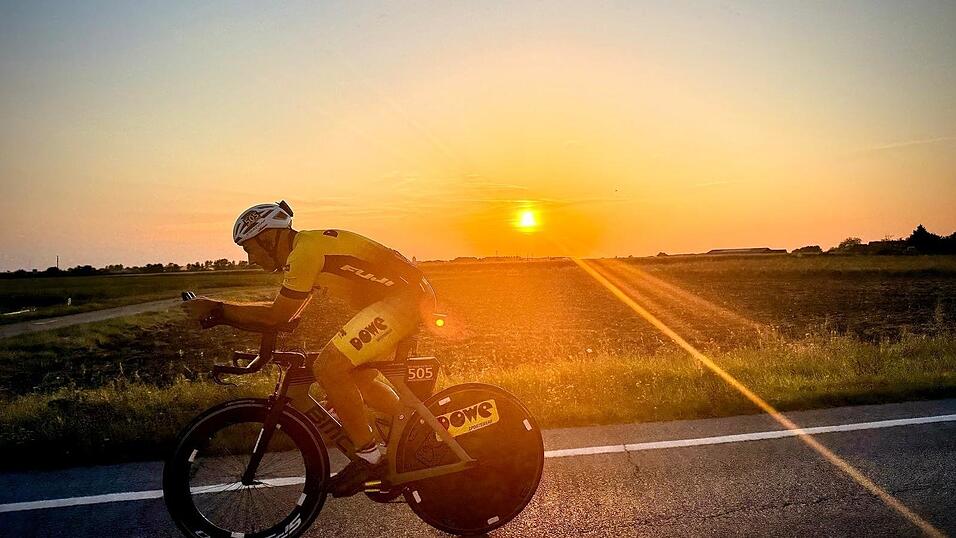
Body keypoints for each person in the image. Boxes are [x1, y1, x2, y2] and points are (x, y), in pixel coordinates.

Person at [182, 200, 436, 497]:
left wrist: (218, 309)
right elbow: (287, 318)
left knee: (329, 367)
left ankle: (370, 458)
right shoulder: (305, 249)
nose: (250, 258)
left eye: (249, 248)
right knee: (357, 378)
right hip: (403, 298)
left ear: (268, 238)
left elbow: (277, 316)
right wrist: (223, 317)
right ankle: (415, 434)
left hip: (406, 301)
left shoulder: (305, 253)